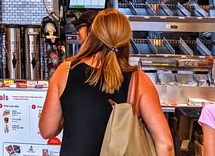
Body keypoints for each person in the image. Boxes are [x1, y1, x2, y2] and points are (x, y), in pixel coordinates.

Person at [39, 9, 174, 156]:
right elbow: (165, 145)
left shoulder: (65, 70)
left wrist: (71, 110)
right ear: (126, 38)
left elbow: (47, 130)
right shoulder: (138, 80)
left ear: (93, 34)